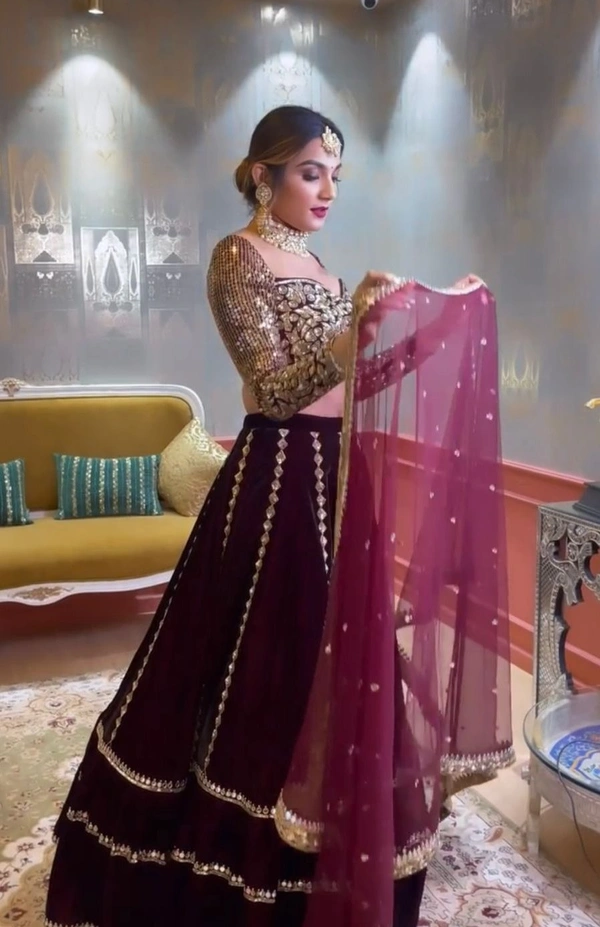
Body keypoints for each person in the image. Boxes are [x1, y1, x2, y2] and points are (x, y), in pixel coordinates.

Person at [44, 105, 504, 927]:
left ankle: (342, 819)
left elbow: (356, 380)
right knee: (267, 653)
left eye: (335, 175)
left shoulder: (321, 267)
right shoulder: (237, 258)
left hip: (337, 478)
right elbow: (275, 391)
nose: (327, 190)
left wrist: (438, 326)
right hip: (274, 487)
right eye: (309, 172)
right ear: (263, 175)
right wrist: (349, 335)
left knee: (345, 644)